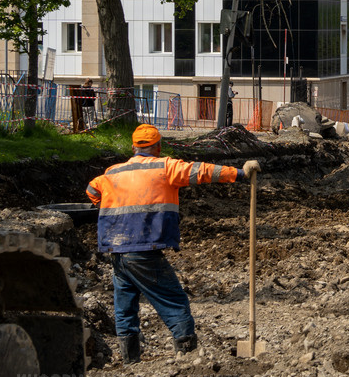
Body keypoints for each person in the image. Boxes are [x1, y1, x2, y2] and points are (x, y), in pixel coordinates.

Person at [85, 124, 260, 364]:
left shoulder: (113, 172)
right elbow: (203, 171)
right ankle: (187, 356)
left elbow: (92, 189)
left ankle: (130, 361)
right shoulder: (165, 167)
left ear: (133, 147)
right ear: (157, 146)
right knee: (174, 302)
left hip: (116, 251)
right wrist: (239, 174)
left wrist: (108, 209)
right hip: (145, 250)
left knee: (125, 308)